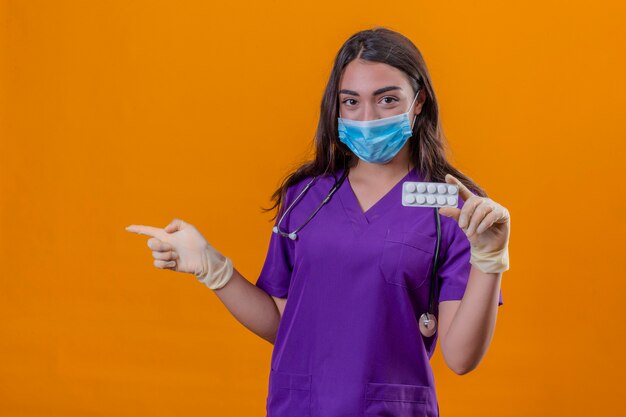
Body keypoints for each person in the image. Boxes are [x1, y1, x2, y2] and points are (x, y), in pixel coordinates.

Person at [126, 26, 510, 417]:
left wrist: (489, 259)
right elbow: (281, 321)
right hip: (299, 407)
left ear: (419, 102)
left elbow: (461, 358)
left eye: (388, 99)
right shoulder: (307, 197)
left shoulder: (453, 208)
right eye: (351, 102)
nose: (368, 117)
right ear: (336, 107)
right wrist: (213, 268)